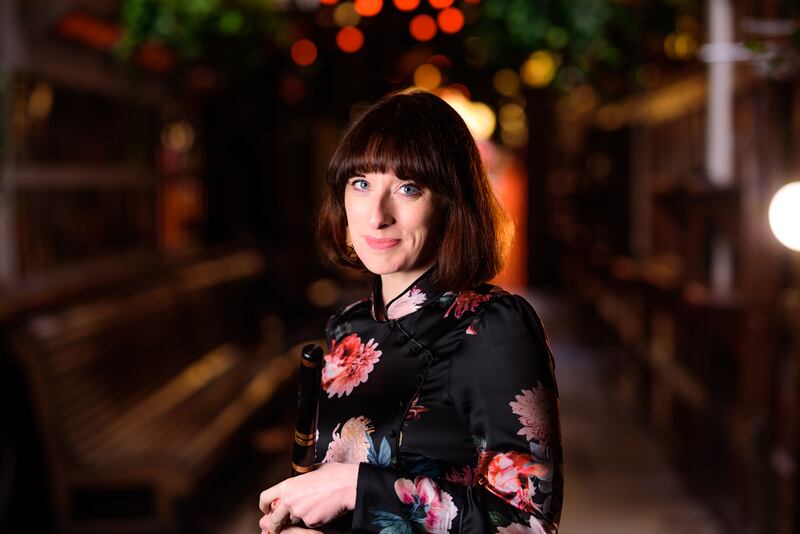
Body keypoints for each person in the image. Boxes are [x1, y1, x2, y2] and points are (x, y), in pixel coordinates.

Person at [259, 90, 563, 534]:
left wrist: (357, 488)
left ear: (451, 204)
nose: (377, 216)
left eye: (407, 188)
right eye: (361, 183)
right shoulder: (350, 326)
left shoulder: (493, 325)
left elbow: (529, 524)